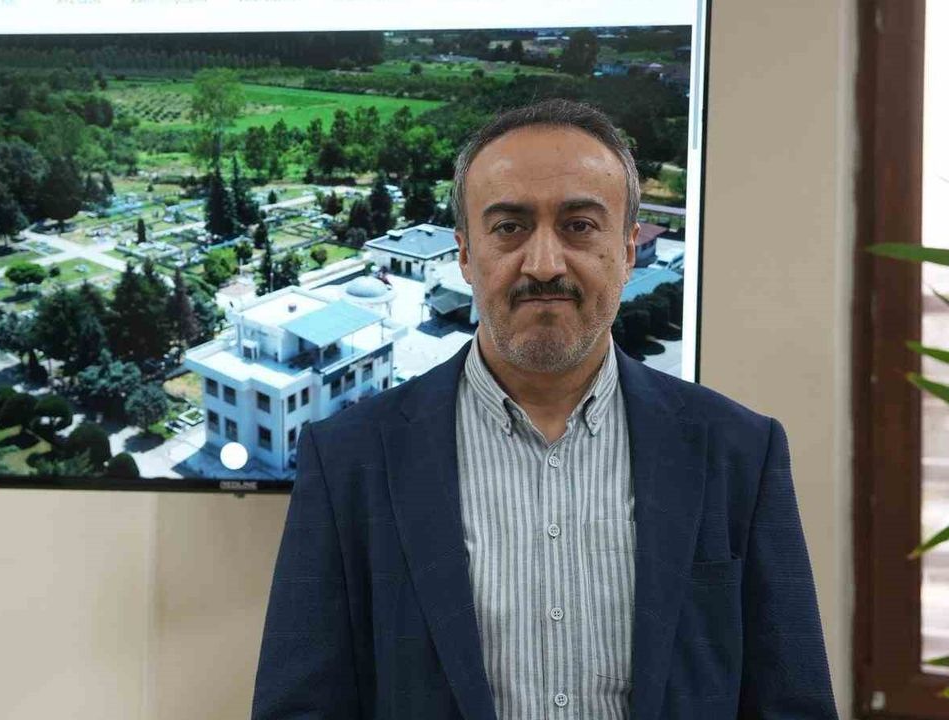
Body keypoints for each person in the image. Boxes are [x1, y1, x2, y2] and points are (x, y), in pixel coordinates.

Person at [252, 100, 838, 720]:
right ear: (464, 254)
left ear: (629, 249)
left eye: (579, 226)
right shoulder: (348, 460)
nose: (544, 264)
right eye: (509, 227)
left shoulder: (740, 453)